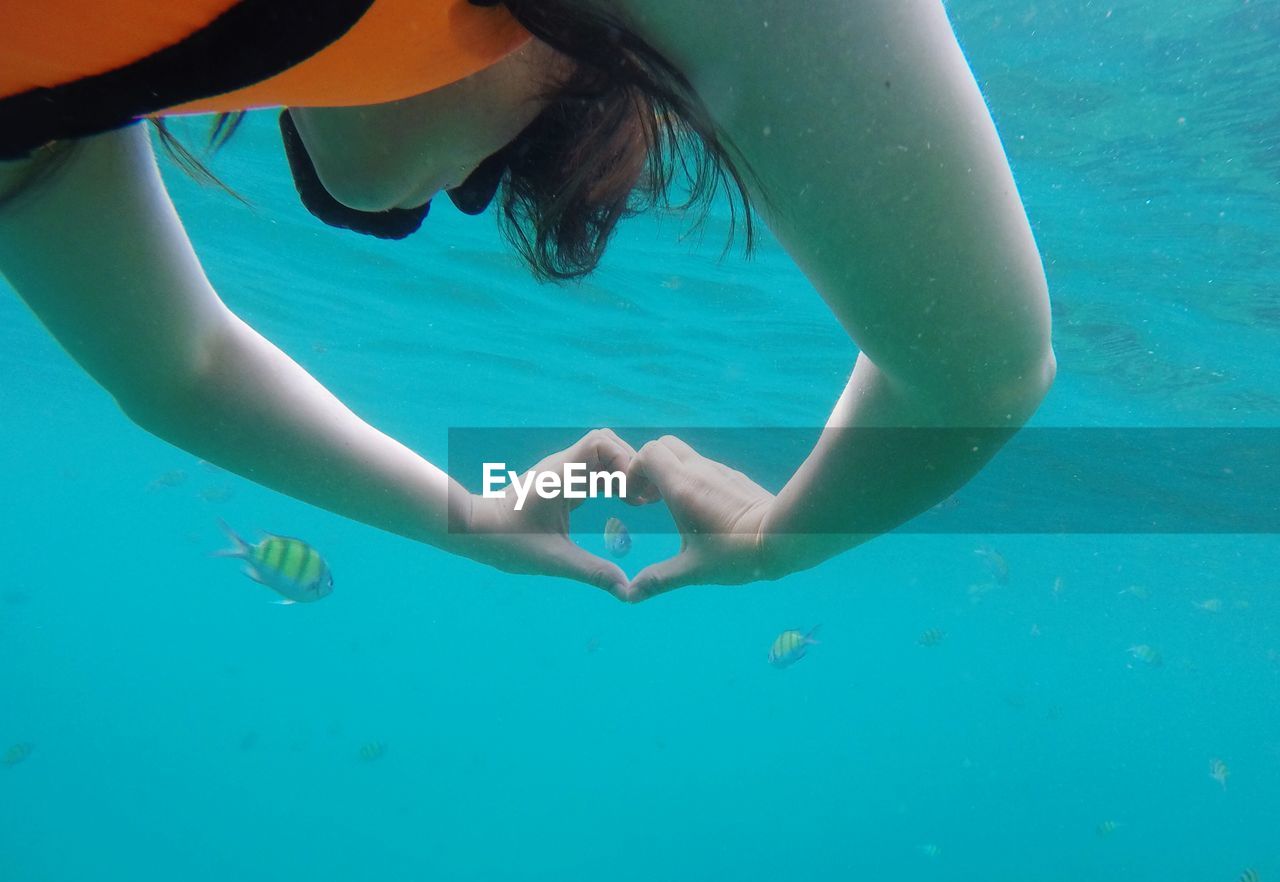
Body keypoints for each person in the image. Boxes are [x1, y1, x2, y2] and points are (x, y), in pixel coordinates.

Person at [0, 0, 1056, 602]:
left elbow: (180, 369)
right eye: (503, 172)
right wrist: (778, 542)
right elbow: (977, 367)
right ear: (586, 54)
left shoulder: (42, 102)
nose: (430, 199)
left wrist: (469, 514)